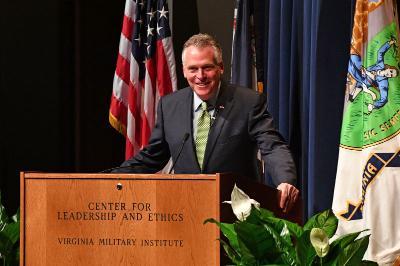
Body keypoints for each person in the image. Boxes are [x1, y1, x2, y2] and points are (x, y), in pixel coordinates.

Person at [114, 33, 299, 212]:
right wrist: (107, 178)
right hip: (186, 211)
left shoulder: (248, 102)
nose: (200, 76)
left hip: (236, 215)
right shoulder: (170, 106)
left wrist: (285, 180)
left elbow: (273, 146)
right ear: (184, 71)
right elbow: (152, 157)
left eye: (207, 67)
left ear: (221, 67)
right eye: (193, 69)